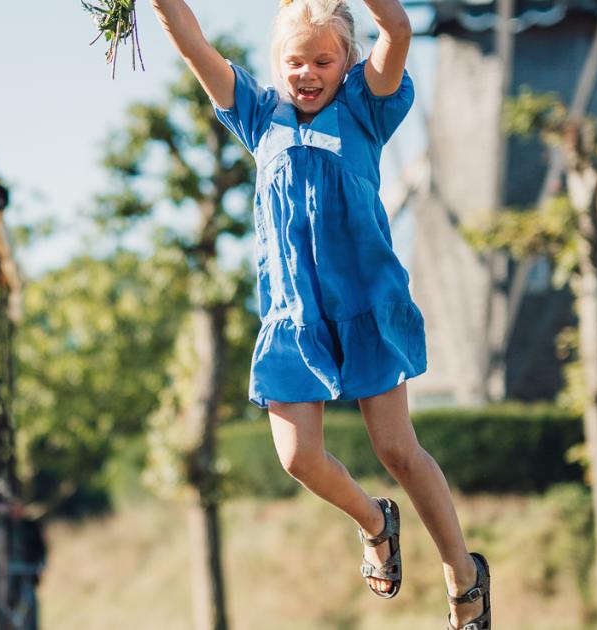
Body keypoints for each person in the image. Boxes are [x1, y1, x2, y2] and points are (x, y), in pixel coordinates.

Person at [148, 0, 489, 626]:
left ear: (348, 60)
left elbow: (400, 28)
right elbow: (190, 40)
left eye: (323, 60)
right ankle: (375, 521)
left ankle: (462, 574)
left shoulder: (367, 104)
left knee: (398, 450)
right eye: (294, 61)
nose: (307, 72)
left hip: (364, 303)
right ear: (277, 64)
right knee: (298, 458)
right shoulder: (257, 113)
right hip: (293, 314)